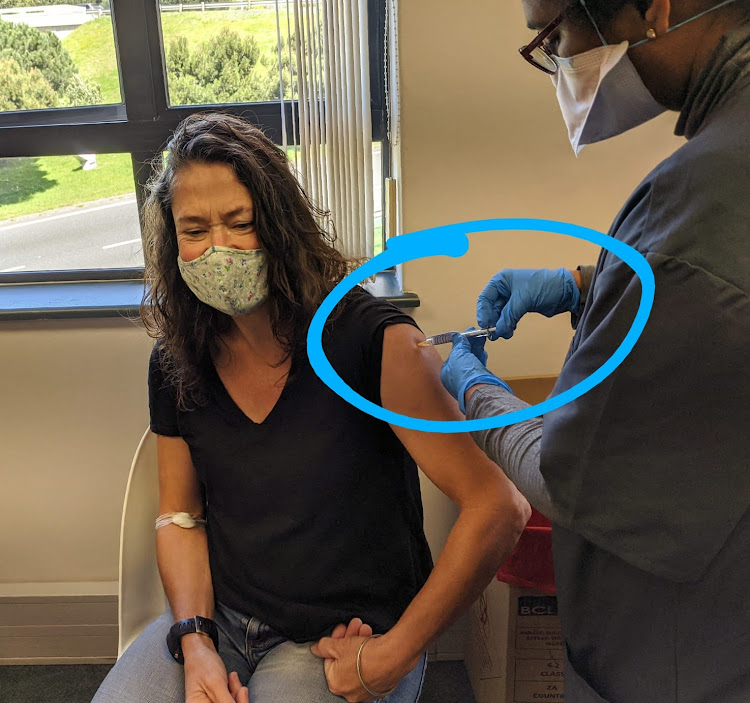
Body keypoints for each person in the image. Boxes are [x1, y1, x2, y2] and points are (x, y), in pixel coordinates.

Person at [91, 112, 529, 703]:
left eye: (239, 222)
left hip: (338, 638)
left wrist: (393, 654)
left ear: (278, 223)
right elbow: (180, 517)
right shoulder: (178, 362)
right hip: (219, 621)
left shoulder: (374, 342)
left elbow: (498, 507)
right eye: (193, 230)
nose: (217, 249)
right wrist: (194, 640)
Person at [440, 1, 750, 701]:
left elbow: (568, 475)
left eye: (556, 38)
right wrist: (588, 287)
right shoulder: (723, 161)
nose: (559, 62)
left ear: (656, 8)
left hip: (688, 657)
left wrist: (472, 390)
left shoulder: (703, 202)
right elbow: (711, 322)